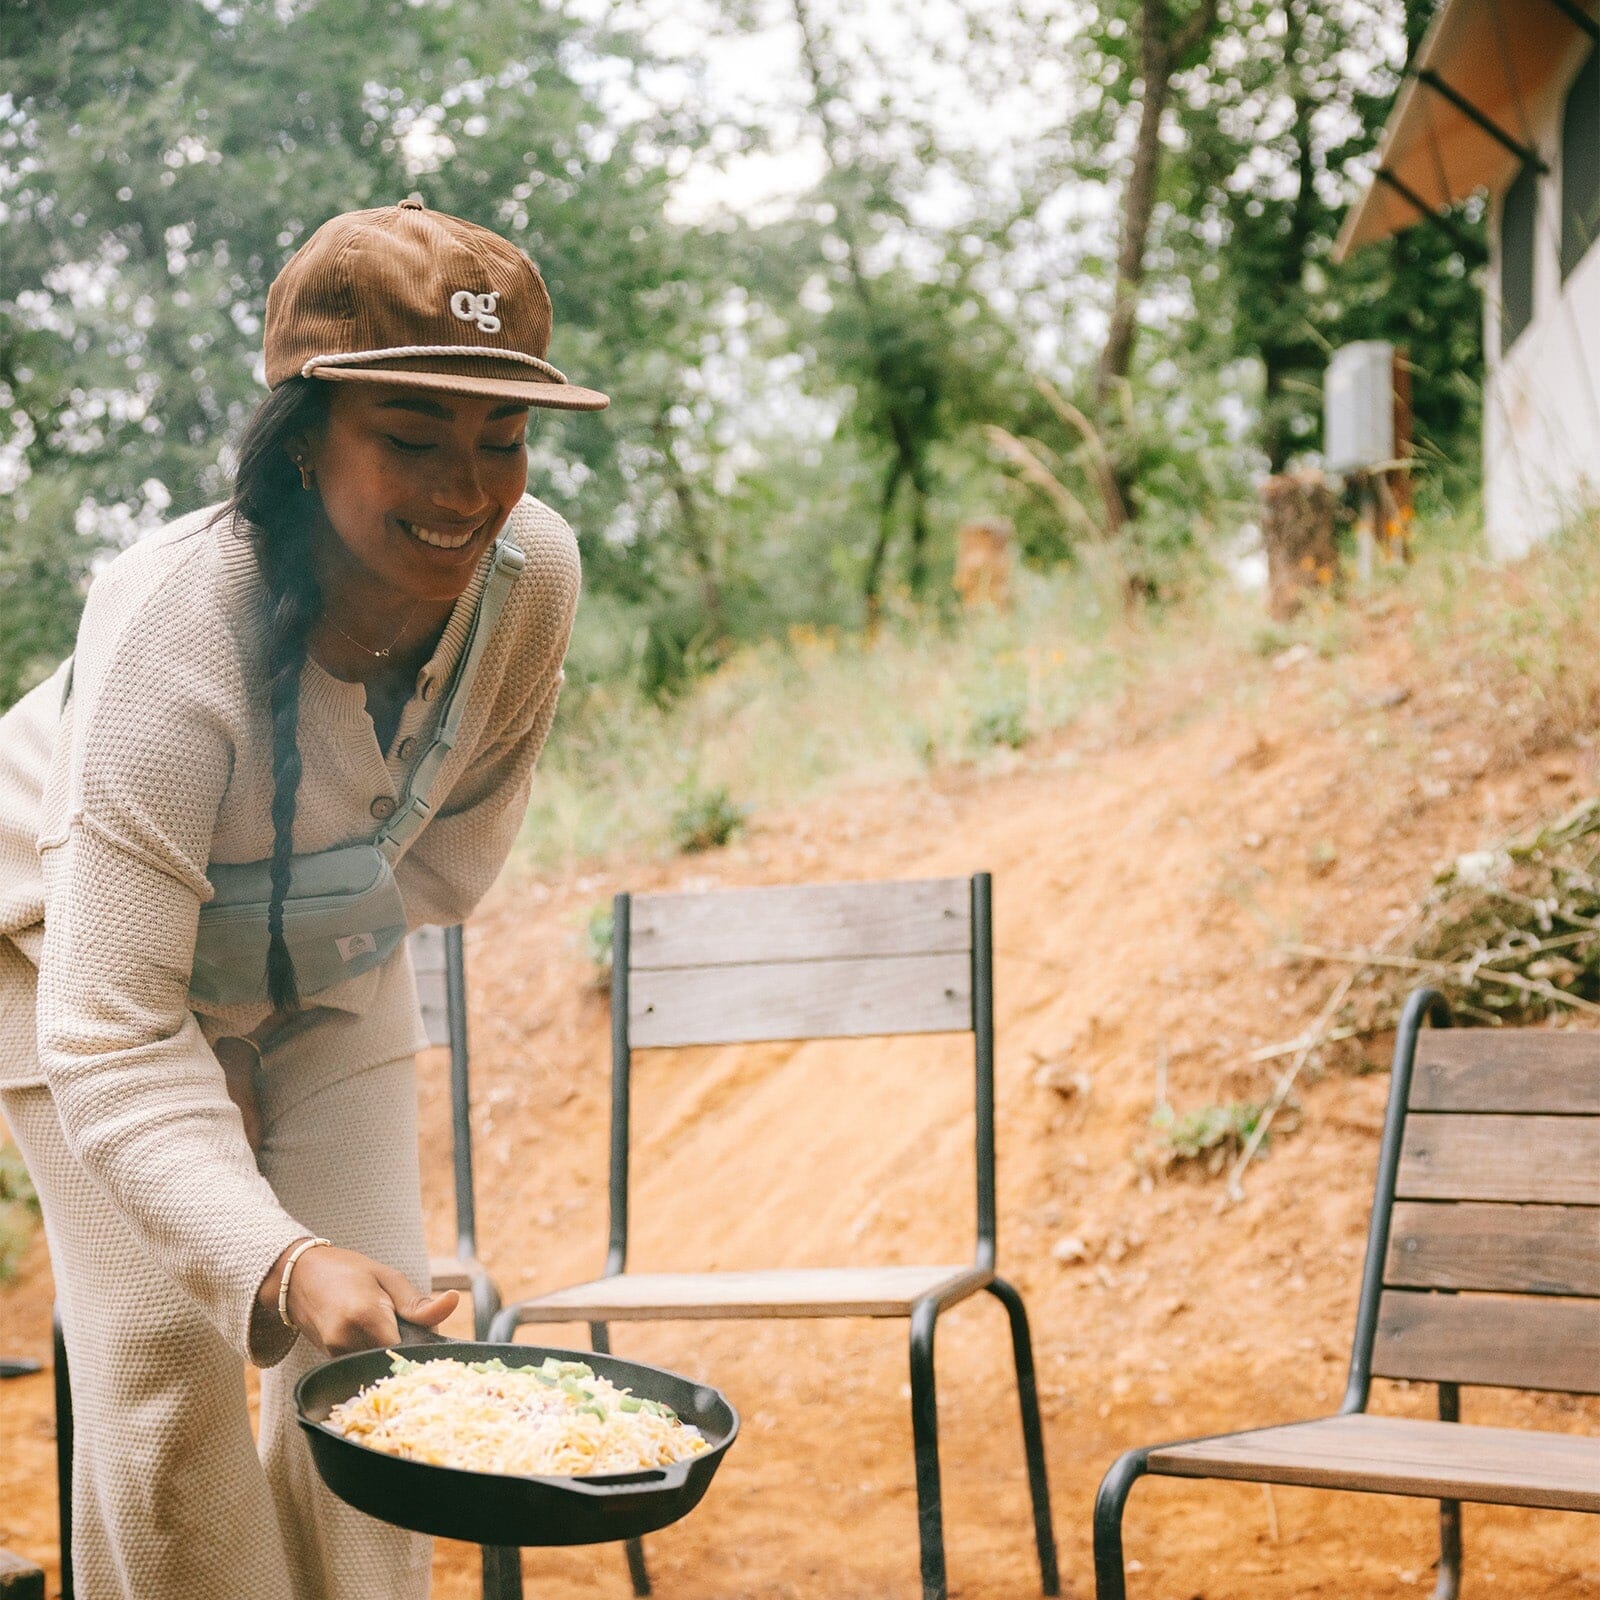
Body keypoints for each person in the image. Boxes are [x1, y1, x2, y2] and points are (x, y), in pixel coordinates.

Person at [0, 197, 608, 1599]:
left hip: (330, 944)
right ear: (303, 435)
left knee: (378, 1361)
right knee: (169, 1387)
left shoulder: (532, 583)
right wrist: (270, 1251)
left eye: (502, 439)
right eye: (412, 436)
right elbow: (107, 1031)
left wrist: (278, 1009)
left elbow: (444, 867)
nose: (467, 488)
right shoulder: (174, 623)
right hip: (67, 962)